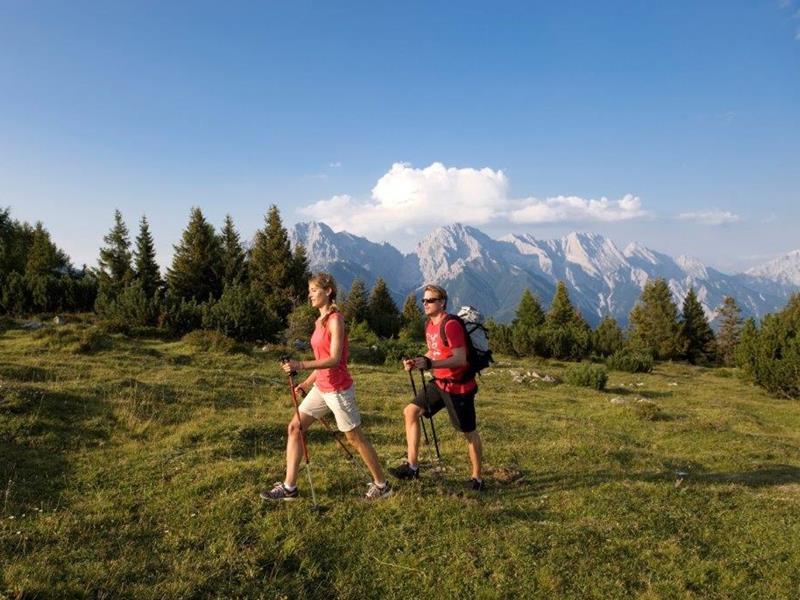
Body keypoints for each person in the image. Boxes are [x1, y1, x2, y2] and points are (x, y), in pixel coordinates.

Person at [261, 272, 392, 501]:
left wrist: (299, 364)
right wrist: (306, 382)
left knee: (354, 437)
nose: (309, 295)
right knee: (295, 428)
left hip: (338, 389)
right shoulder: (319, 321)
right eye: (309, 290)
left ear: (328, 291)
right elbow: (322, 359)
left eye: (314, 290)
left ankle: (382, 485)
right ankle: (289, 487)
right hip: (321, 387)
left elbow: (334, 358)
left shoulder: (335, 320)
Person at [392, 284, 485, 491]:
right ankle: (412, 466)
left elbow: (460, 358)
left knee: (468, 432)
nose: (425, 304)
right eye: (423, 300)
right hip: (439, 382)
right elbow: (434, 350)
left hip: (459, 386)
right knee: (410, 412)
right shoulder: (430, 325)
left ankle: (477, 478)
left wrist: (431, 364)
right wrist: (419, 361)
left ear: (442, 302)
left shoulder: (450, 324)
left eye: (430, 300)